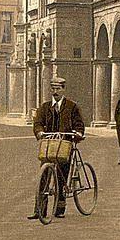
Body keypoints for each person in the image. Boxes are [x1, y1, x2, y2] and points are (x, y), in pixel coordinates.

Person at [29, 76, 85, 219]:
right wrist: (39, 132)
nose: (55, 92)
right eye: (53, 89)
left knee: (62, 175)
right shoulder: (45, 107)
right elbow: (38, 123)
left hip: (65, 144)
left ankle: (60, 208)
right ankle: (39, 210)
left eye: (58, 89)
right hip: (49, 145)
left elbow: (79, 124)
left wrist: (78, 133)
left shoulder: (72, 107)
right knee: (44, 177)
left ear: (63, 90)